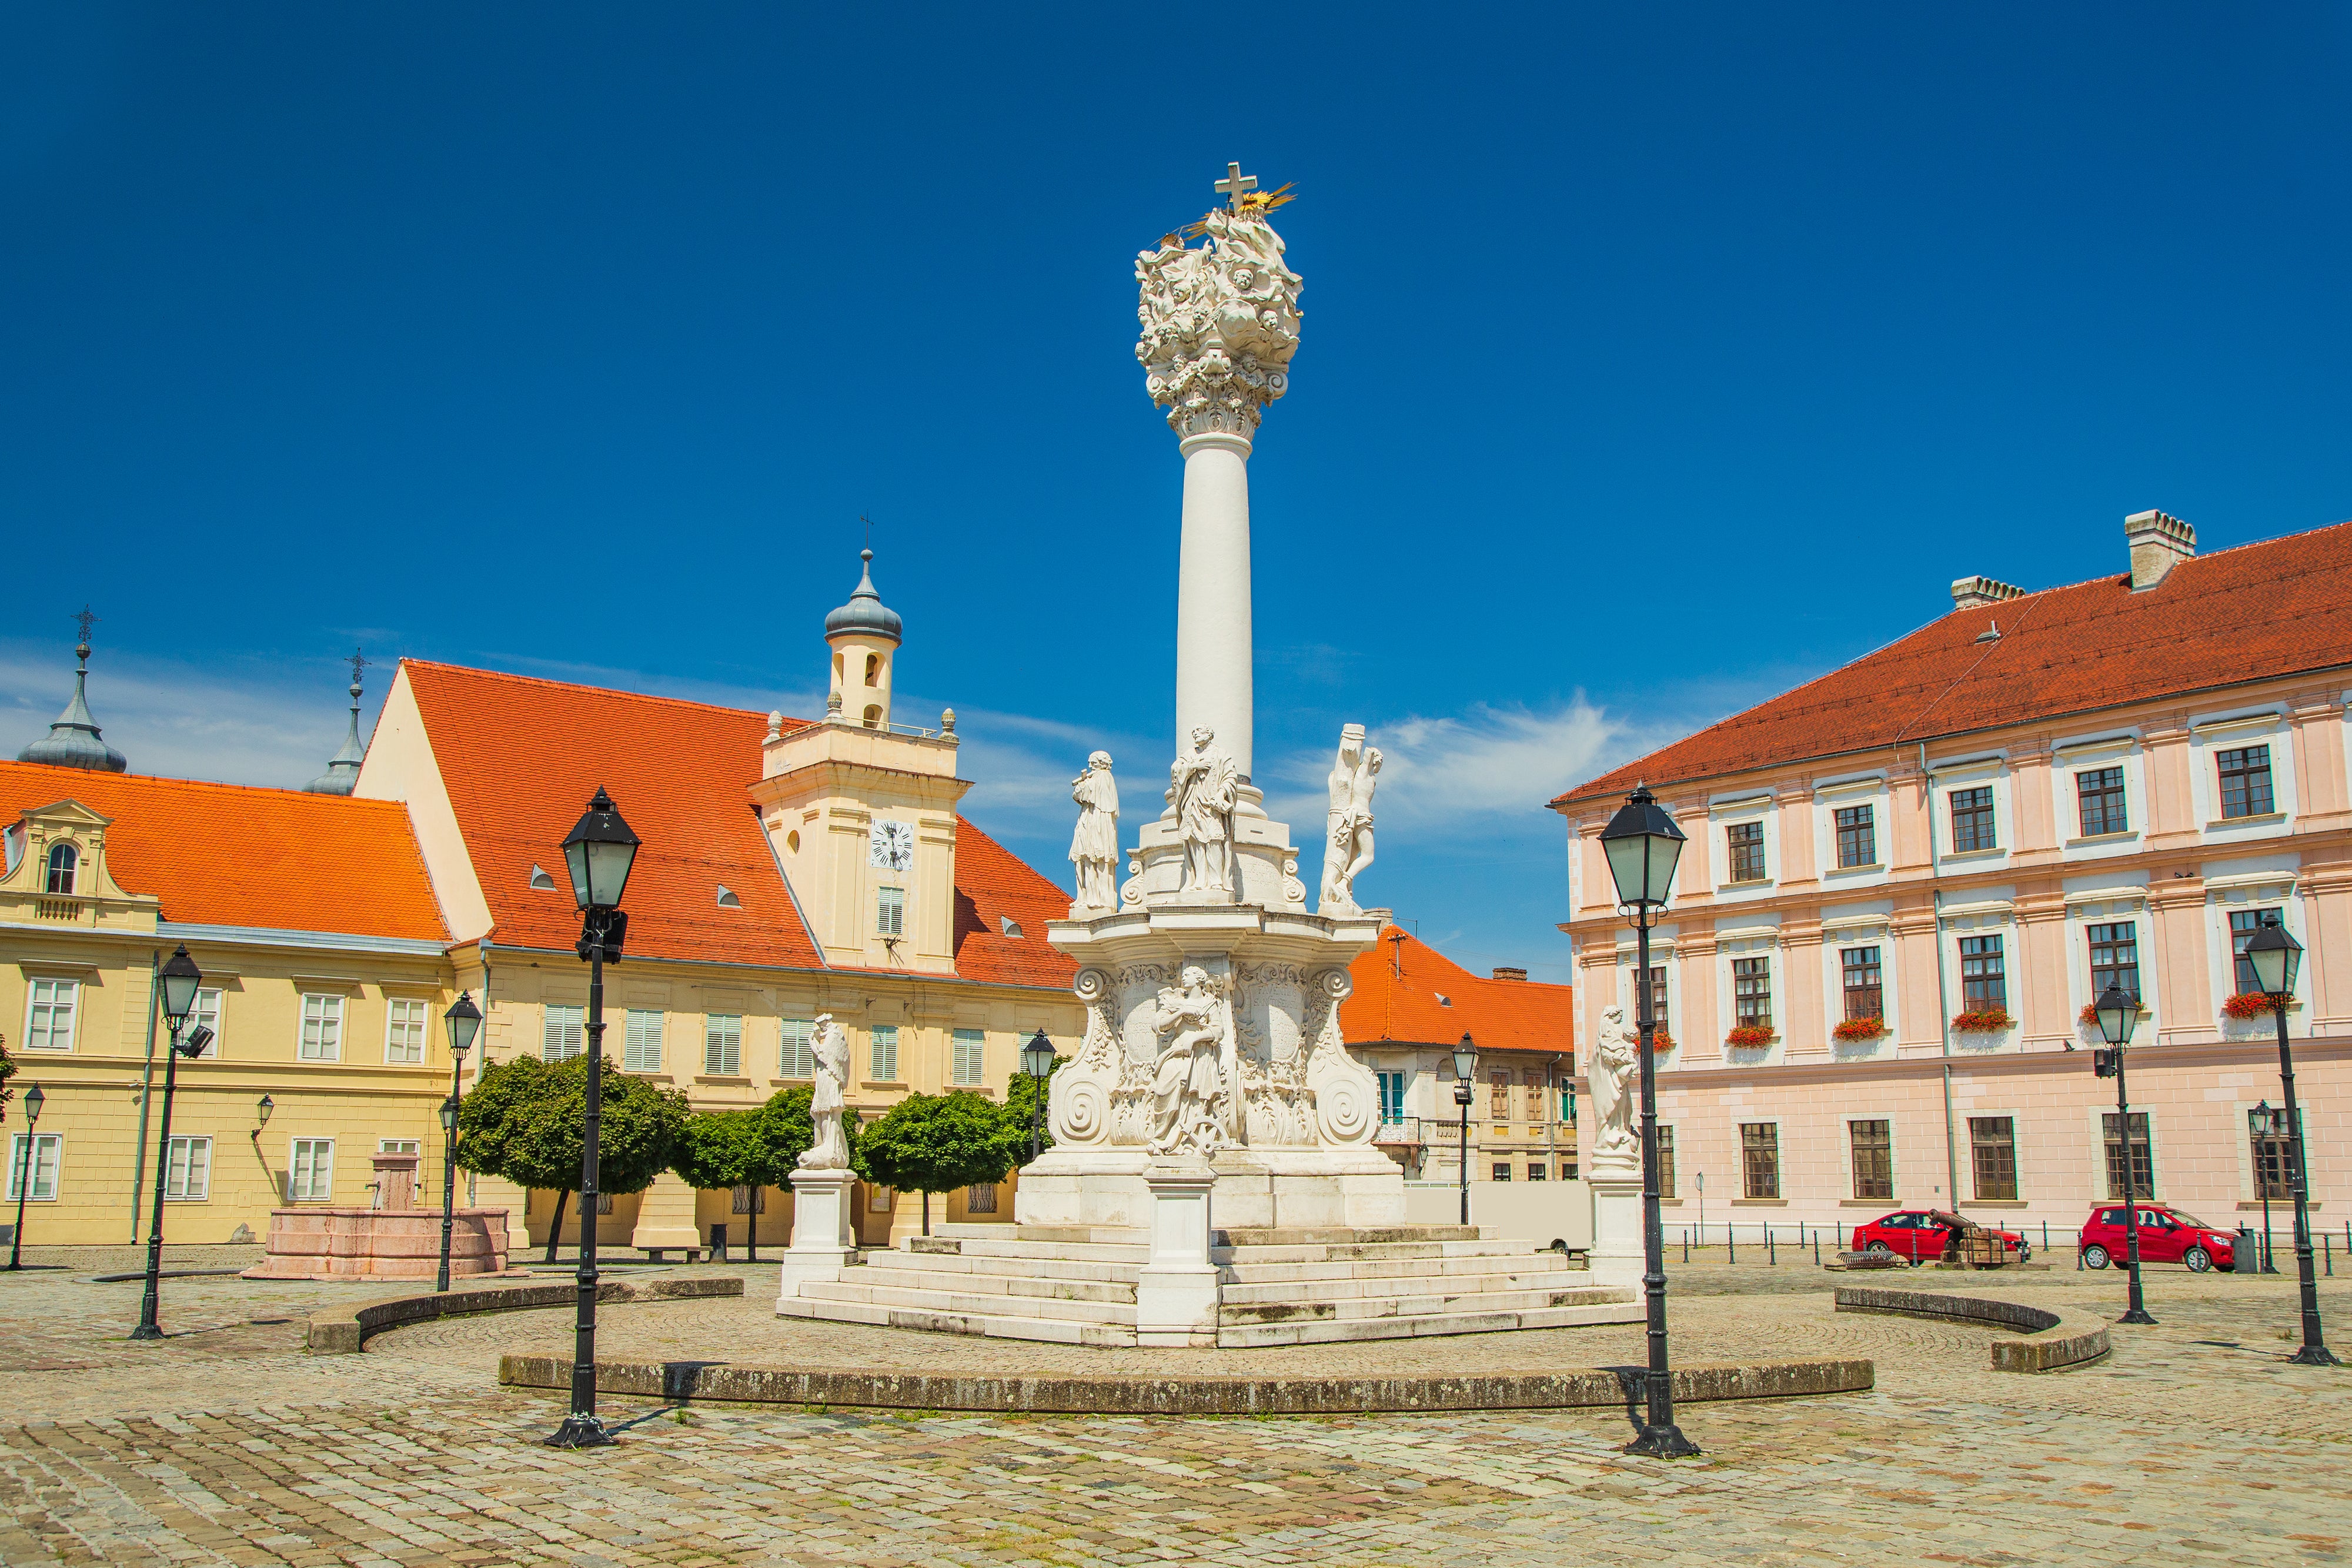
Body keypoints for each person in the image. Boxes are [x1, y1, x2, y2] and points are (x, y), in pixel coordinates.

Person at [1068, 752, 1121, 909]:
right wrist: (1082, 786)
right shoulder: (1094, 778)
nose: (1091, 766)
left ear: (1102, 763)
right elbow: (1078, 795)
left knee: (1097, 857)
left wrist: (1084, 785)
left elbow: (1095, 796)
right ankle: (1084, 897)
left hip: (1098, 820)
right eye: (1090, 762)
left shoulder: (1104, 776)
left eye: (1094, 762)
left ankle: (1098, 898)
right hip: (1087, 817)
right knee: (1082, 857)